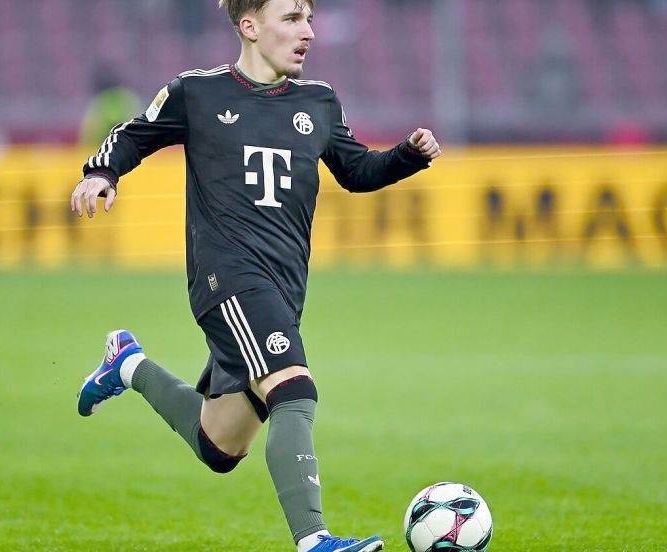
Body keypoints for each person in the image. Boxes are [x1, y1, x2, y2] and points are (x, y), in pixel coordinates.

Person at [69, 1, 440, 551]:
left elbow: (357, 170)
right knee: (294, 388)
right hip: (228, 278)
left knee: (220, 445)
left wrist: (406, 157)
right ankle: (314, 539)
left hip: (284, 289)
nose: (308, 32)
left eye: (310, 19)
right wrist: (102, 172)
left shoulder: (319, 102)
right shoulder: (197, 92)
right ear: (249, 26)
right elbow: (134, 133)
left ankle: (128, 364)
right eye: (292, 18)